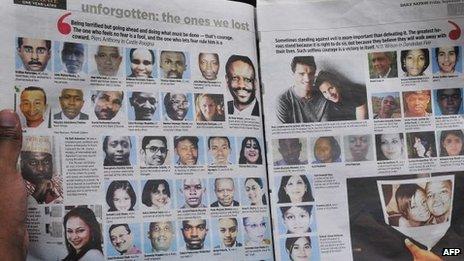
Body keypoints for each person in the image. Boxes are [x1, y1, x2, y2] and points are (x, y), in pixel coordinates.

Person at [277, 56, 328, 123]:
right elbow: (283, 132)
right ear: (293, 75)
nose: (307, 79)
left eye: (311, 74)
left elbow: (326, 129)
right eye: (301, 74)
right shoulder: (283, 100)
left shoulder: (324, 95)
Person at [21, 135, 63, 204]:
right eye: (33, 162)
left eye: (46, 161)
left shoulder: (60, 181)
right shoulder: (17, 187)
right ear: (22, 164)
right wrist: (35, 196)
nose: (41, 168)